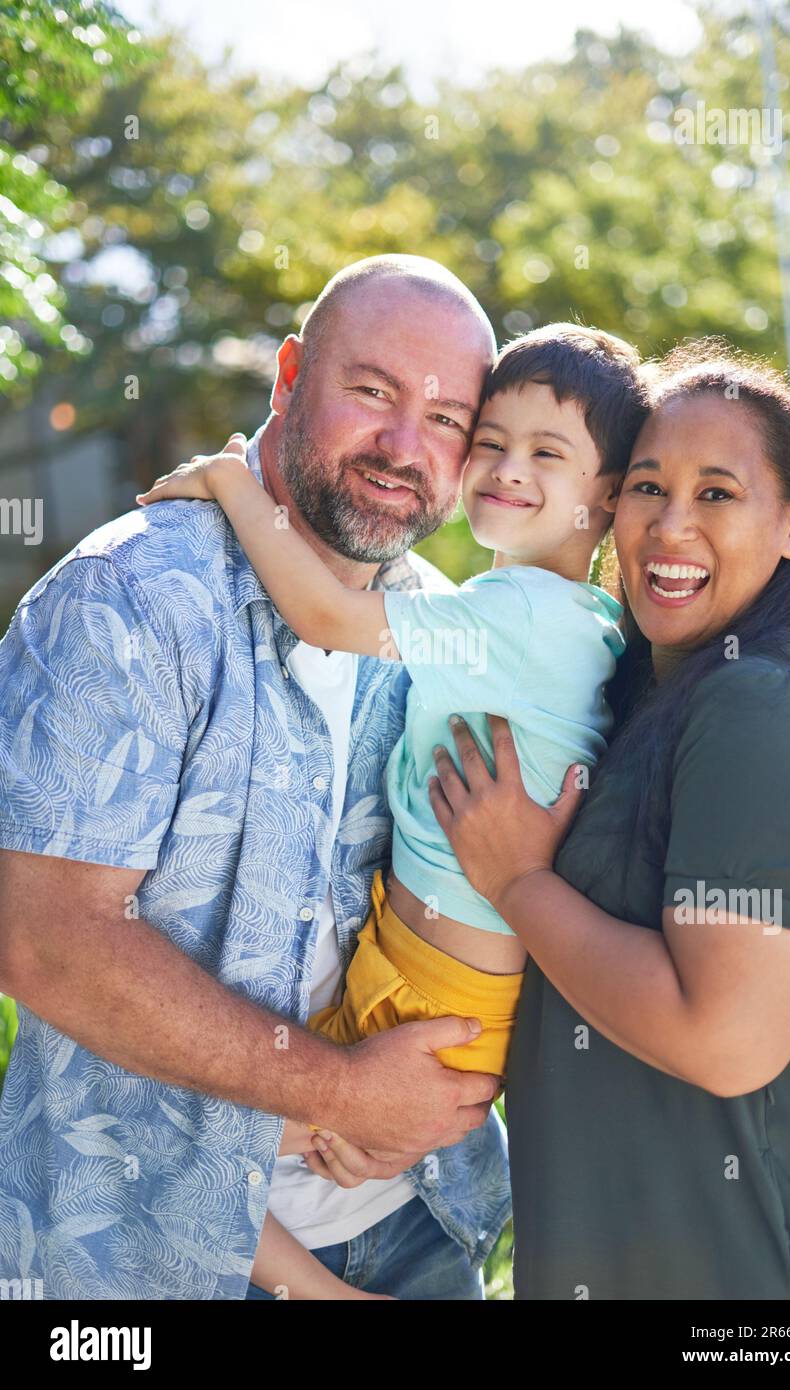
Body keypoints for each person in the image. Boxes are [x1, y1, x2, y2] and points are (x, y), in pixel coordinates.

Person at [0, 255, 512, 1301]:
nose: (404, 447)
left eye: (448, 417)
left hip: (414, 1221)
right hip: (143, 1257)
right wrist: (343, 1092)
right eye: (372, 391)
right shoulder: (130, 598)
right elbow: (43, 938)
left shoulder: (447, 628)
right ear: (290, 376)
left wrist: (408, 1109)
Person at [136, 320, 649, 1298]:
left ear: (609, 495)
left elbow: (326, 616)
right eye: (490, 440)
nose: (503, 467)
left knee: (198, 1130)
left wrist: (233, 482)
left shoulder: (519, 618)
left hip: (439, 992)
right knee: (253, 1131)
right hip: (429, 967)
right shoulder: (566, 619)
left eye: (547, 453)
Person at [424, 340, 790, 1299]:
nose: (670, 528)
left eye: (717, 494)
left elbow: (725, 1039)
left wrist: (520, 883)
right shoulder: (634, 688)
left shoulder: (763, 704)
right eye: (645, 488)